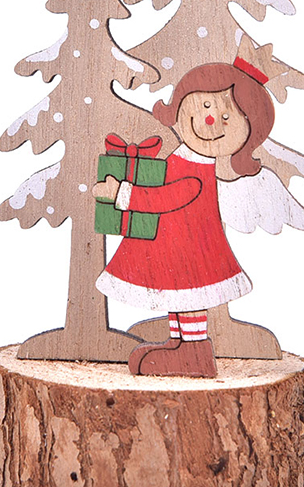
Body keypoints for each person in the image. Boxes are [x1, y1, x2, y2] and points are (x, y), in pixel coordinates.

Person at [94, 59, 275, 377]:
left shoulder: (196, 171)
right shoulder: (185, 157)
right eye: (206, 105)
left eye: (226, 117)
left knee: (189, 295)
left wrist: (122, 193)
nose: (211, 120)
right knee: (180, 297)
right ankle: (180, 345)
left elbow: (166, 199)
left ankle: (195, 353)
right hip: (177, 245)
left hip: (189, 250)